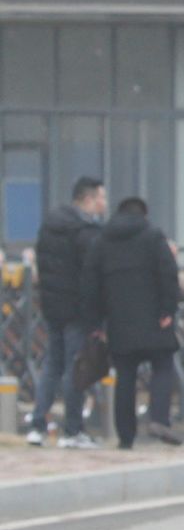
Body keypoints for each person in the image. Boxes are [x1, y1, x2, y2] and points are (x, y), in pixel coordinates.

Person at [81, 196, 183, 449]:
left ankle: (125, 437)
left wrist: (96, 323)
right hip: (155, 320)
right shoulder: (153, 236)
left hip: (119, 322)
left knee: (125, 377)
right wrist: (168, 309)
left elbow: (90, 285)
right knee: (162, 365)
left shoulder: (102, 241)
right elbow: (168, 273)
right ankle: (159, 418)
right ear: (143, 214)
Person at [28, 176, 108, 449]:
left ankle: (38, 425)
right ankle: (72, 430)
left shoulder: (50, 226)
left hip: (52, 307)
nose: (104, 203)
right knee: (76, 368)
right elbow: (93, 276)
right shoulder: (85, 232)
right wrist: (97, 313)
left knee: (53, 365)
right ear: (88, 200)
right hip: (78, 310)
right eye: (101, 198)